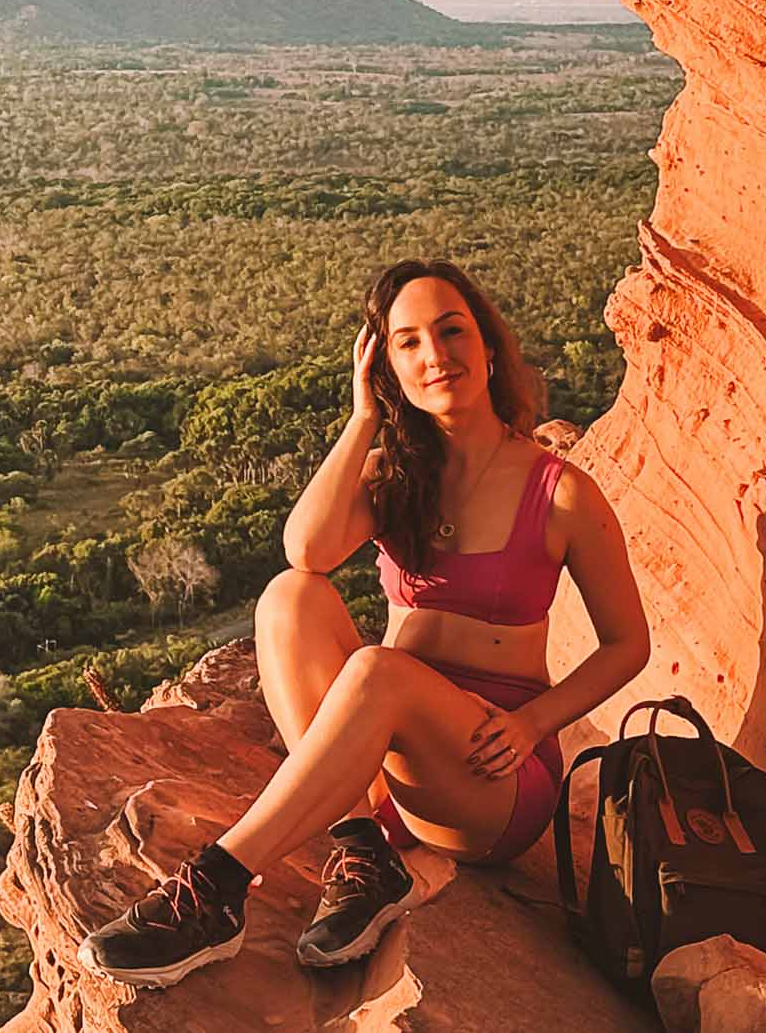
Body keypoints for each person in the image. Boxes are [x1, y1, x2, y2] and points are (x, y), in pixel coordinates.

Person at [78, 258, 651, 988]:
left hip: (489, 771)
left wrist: (534, 723)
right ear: (386, 364)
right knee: (291, 596)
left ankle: (216, 888)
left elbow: (628, 642)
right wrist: (363, 419)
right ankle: (362, 855)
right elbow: (306, 549)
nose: (436, 355)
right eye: (408, 342)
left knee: (376, 670)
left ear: (488, 346)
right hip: (387, 757)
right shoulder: (395, 473)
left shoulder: (560, 491)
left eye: (451, 331)